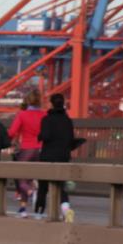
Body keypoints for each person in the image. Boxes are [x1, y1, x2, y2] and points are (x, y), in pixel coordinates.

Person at [34, 93, 77, 222]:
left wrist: (40, 136)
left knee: (43, 187)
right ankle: (66, 211)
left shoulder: (47, 119)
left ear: (52, 104)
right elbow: (71, 139)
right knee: (61, 187)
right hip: (63, 156)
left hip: (48, 156)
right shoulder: (67, 120)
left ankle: (39, 213)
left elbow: (45, 136)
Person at [7, 90, 44, 218]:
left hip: (27, 149)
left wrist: (4, 140)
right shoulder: (44, 114)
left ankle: (30, 192)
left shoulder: (22, 114)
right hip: (41, 149)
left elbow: (12, 132)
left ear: (27, 101)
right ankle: (23, 209)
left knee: (21, 177)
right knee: (29, 178)